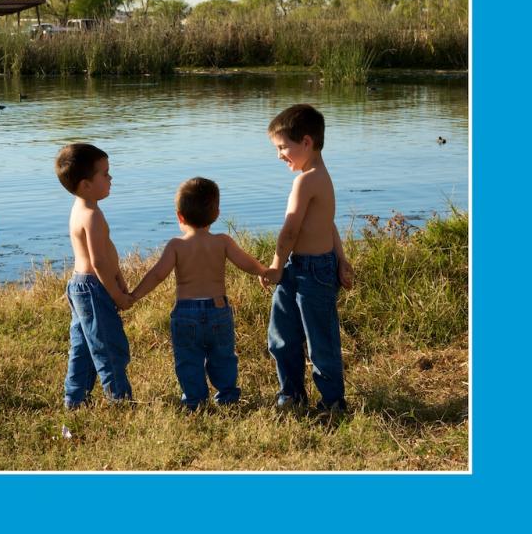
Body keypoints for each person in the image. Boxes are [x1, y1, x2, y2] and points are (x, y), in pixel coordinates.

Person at [131, 177, 267, 410]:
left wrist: (133, 295)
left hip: (186, 313)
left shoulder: (176, 245)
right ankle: (227, 396)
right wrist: (263, 271)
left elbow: (157, 275)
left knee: (188, 359)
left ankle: (194, 400)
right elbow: (246, 262)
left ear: (179, 216)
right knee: (223, 355)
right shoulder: (222, 241)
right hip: (218, 310)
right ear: (216, 214)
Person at [260, 104, 354, 414]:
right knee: (282, 335)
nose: (279, 155)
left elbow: (290, 230)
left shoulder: (307, 180)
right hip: (300, 269)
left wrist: (274, 266)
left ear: (307, 142)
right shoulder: (320, 176)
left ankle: (332, 403)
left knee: (320, 342)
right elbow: (327, 224)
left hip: (313, 273)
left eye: (283, 146)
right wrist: (341, 258)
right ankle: (291, 396)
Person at [55, 143, 134, 409]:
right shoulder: (92, 216)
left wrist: (120, 276)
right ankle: (119, 400)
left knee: (83, 347)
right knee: (108, 346)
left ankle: (75, 399)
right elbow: (99, 262)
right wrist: (116, 294)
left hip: (79, 285)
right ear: (86, 185)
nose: (111, 178)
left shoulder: (81, 208)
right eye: (105, 174)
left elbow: (106, 252)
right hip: (92, 288)